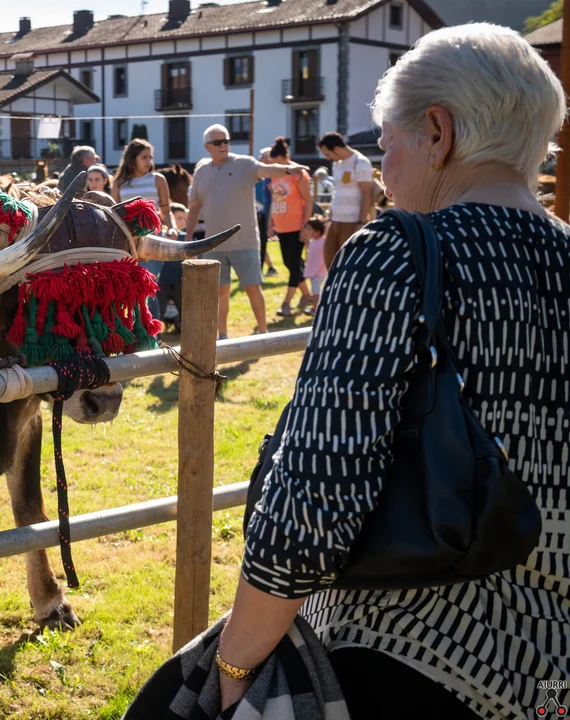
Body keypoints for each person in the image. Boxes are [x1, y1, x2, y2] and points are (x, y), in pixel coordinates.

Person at [213, 24, 568, 720]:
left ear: (439, 132)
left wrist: (234, 666)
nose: (384, 170)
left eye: (387, 142)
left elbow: (314, 499)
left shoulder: (397, 252)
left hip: (413, 657)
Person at [186, 124, 308, 339]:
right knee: (220, 291)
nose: (223, 145)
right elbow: (194, 206)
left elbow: (268, 170)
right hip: (213, 244)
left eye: (226, 140)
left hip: (245, 241)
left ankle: (263, 332)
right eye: (217, 142)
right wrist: (189, 241)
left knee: (252, 287)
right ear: (207, 147)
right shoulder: (201, 171)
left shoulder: (245, 163)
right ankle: (222, 336)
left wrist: (290, 169)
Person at [112, 139, 177, 319]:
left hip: (153, 238)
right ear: (132, 159)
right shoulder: (118, 183)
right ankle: (133, 326)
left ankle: (150, 327)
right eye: (144, 157)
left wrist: (172, 228)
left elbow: (165, 210)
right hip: (127, 241)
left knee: (148, 282)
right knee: (130, 285)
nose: (149, 161)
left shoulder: (158, 179)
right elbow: (114, 214)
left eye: (150, 157)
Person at [267, 137, 314, 317]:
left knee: (294, 264)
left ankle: (286, 303)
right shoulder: (275, 173)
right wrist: (271, 223)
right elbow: (275, 199)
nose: (275, 166)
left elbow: (308, 201)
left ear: (282, 158)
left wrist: (305, 226)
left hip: (296, 225)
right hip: (281, 225)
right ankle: (308, 296)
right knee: (290, 262)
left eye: (276, 162)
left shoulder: (298, 173)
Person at [318, 131, 374, 269]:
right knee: (329, 260)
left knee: (348, 262)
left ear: (337, 149)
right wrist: (330, 215)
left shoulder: (360, 162)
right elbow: (337, 191)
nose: (327, 158)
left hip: (352, 220)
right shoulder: (337, 164)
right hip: (335, 219)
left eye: (328, 154)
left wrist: (361, 222)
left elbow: (367, 194)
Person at [156, 202, 187, 330]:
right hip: (162, 280)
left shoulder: (187, 237)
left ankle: (181, 327)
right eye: (179, 218)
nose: (183, 222)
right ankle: (155, 332)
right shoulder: (160, 237)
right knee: (158, 309)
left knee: (183, 309)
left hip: (180, 281)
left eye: (184, 218)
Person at [253, 147, 278, 278]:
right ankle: (262, 271)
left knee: (261, 242)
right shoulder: (265, 176)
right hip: (264, 214)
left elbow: (273, 198)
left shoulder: (272, 175)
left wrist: (270, 221)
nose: (259, 159)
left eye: (262, 156)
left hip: (270, 214)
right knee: (260, 243)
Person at [299, 215, 326, 315]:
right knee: (315, 289)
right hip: (315, 271)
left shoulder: (323, 242)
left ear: (318, 230)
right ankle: (316, 307)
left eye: (310, 229)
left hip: (319, 272)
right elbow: (312, 249)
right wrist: (306, 242)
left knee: (315, 291)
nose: (308, 232)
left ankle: (316, 309)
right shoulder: (315, 241)